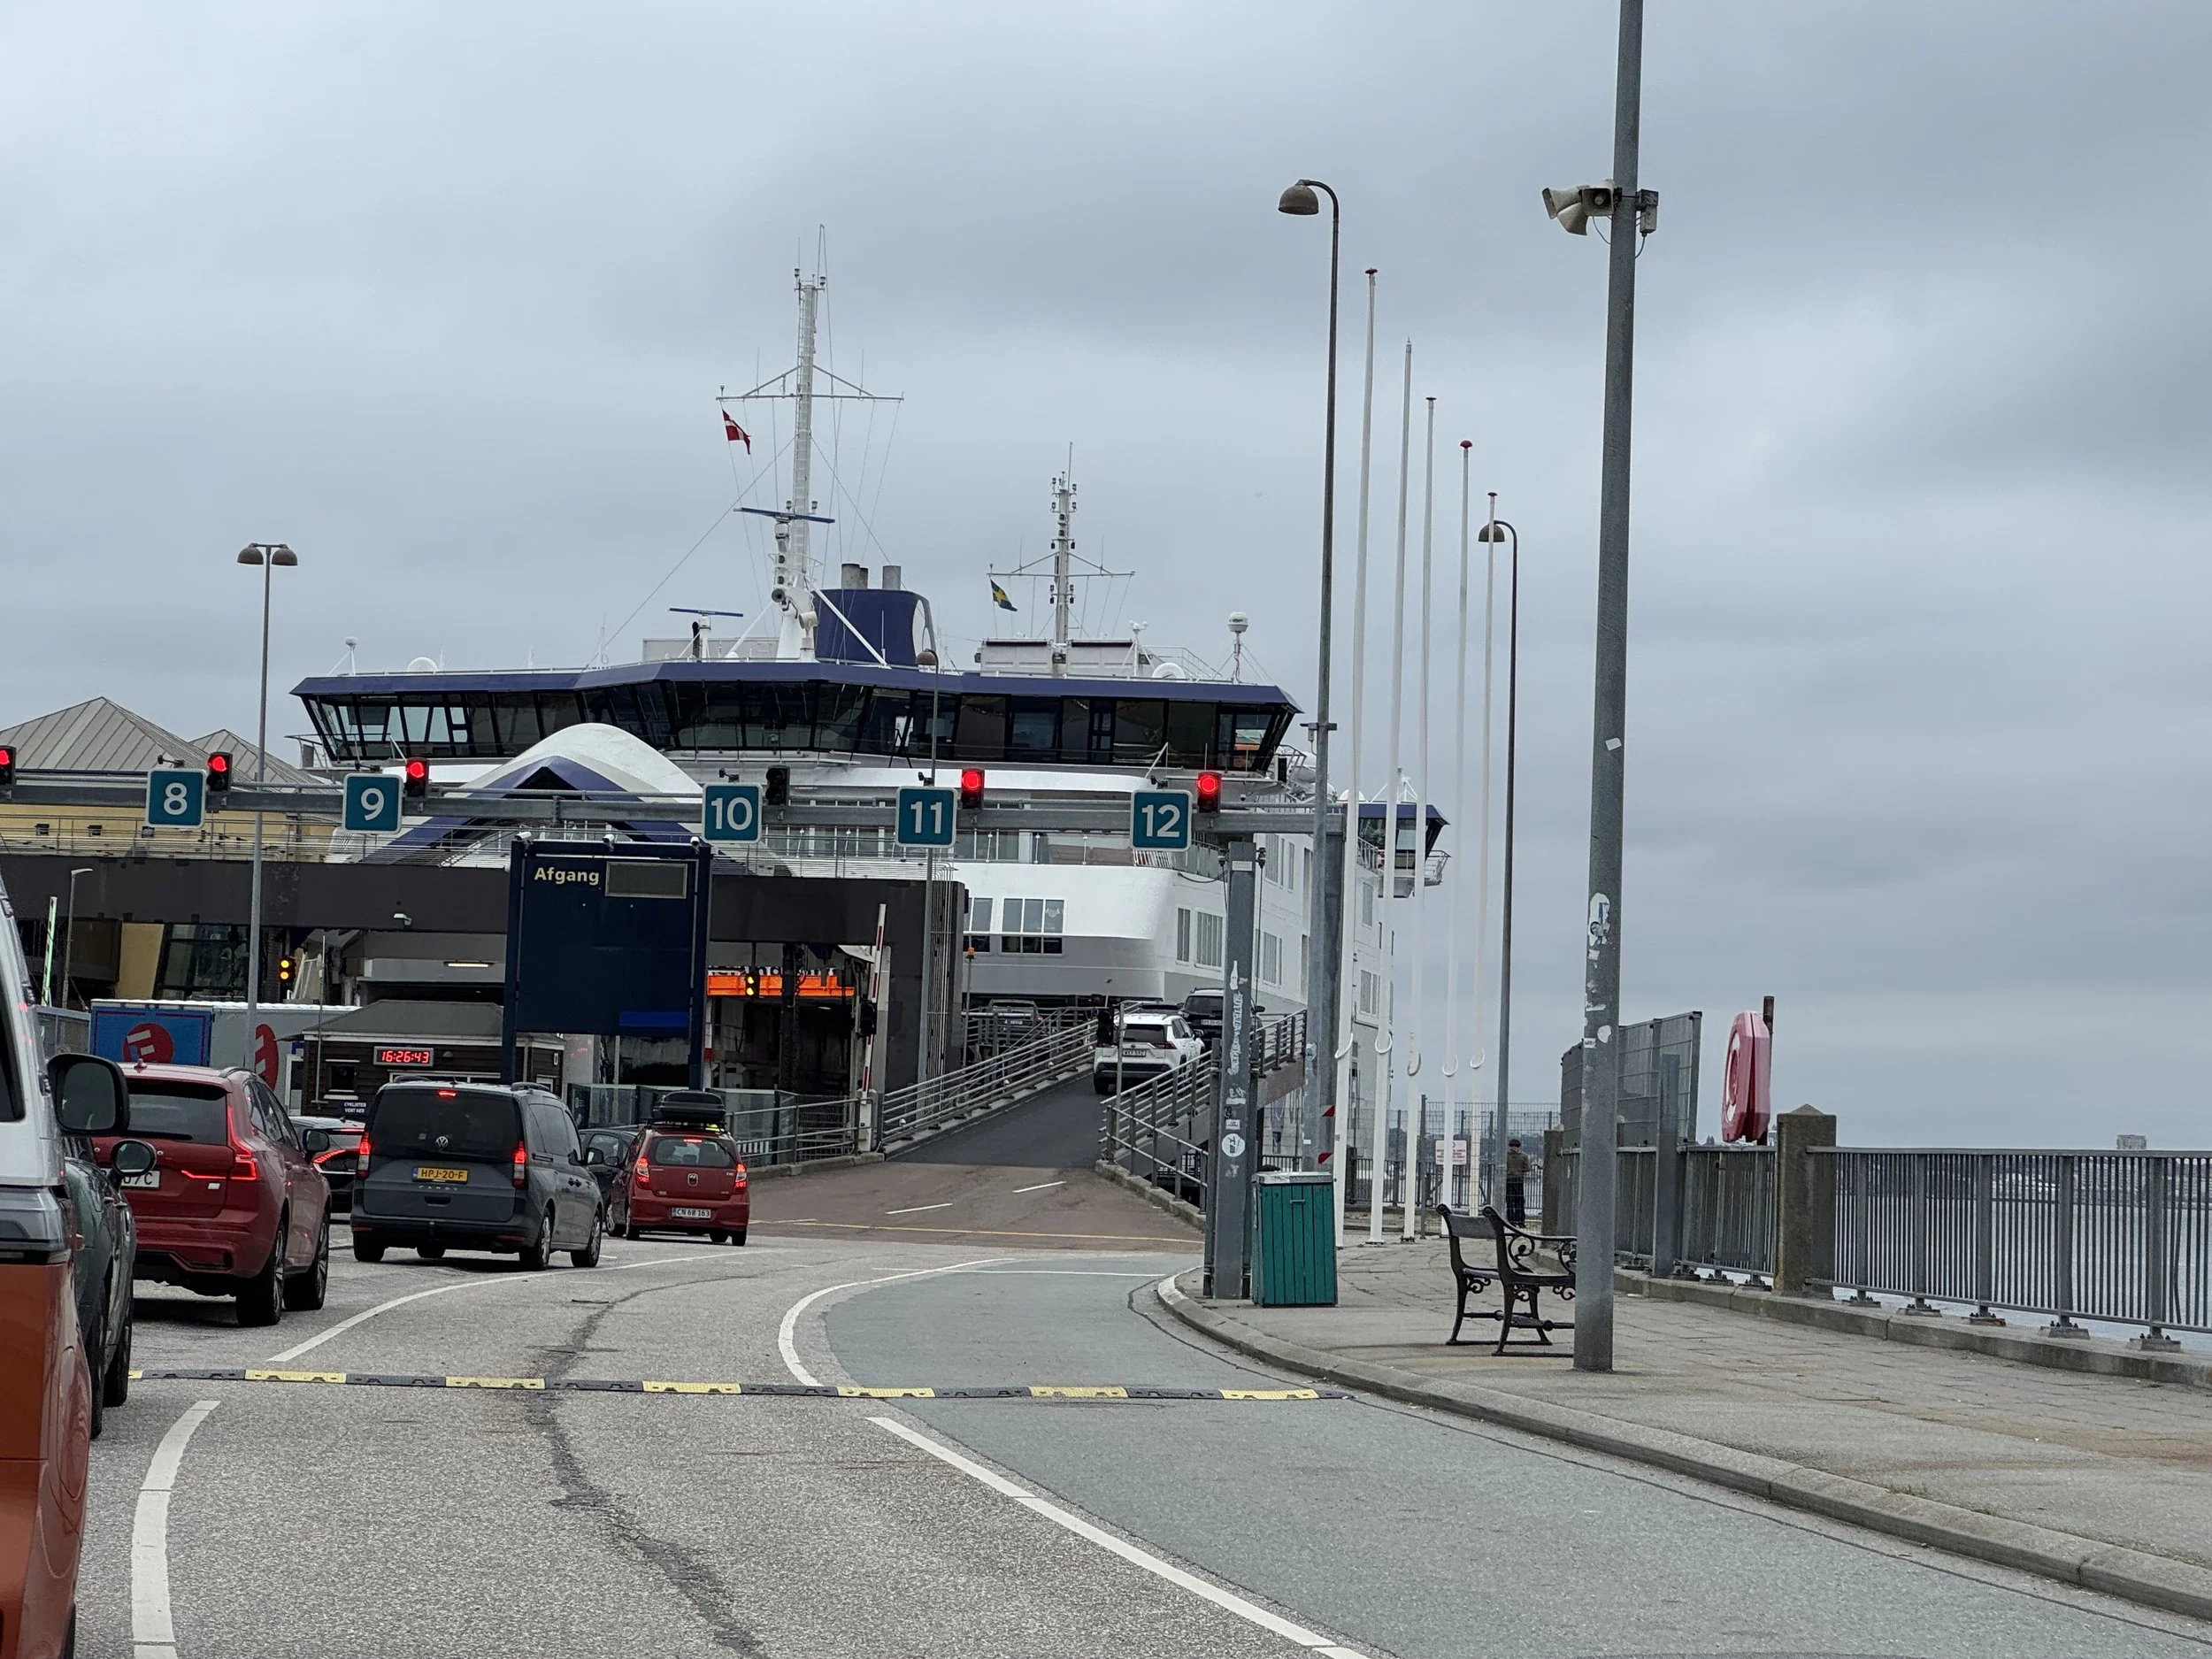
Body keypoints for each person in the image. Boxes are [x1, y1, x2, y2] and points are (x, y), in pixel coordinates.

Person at [1504, 1137, 1531, 1227]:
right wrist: (1519, 1170)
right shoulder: (1524, 1156)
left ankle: (1511, 1221)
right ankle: (1520, 1221)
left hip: (1508, 1180)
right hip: (1519, 1180)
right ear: (1518, 1147)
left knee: (1509, 1201)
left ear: (1509, 1147)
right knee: (1519, 1201)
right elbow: (1527, 1168)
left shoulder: (1505, 1156)